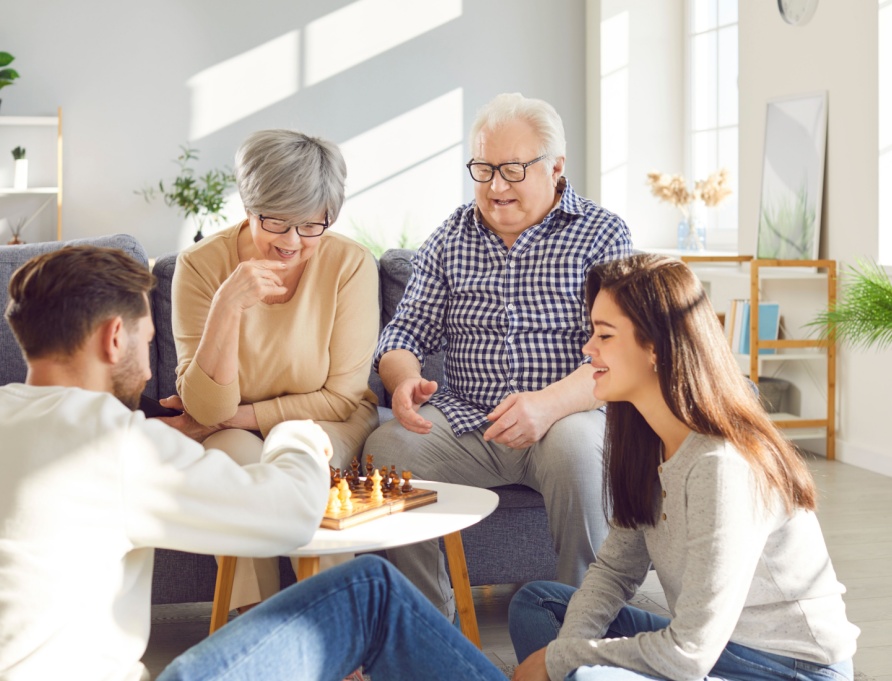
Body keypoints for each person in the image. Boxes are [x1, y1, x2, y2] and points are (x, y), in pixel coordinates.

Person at [0, 245, 508, 681]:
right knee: (367, 589)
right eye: (147, 339)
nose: (149, 350)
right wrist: (296, 435)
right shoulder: (112, 441)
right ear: (115, 338)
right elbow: (289, 514)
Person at [507, 253, 859, 681]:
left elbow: (688, 656)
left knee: (583, 675)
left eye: (605, 335)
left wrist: (561, 662)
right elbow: (615, 570)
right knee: (539, 604)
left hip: (789, 668)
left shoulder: (723, 464)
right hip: (715, 647)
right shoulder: (646, 442)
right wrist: (567, 651)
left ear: (655, 346)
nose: (588, 349)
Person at [363, 92, 633, 621]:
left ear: (555, 168)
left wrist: (547, 406)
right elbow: (401, 336)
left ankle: (583, 625)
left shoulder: (603, 234)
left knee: (579, 453)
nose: (495, 187)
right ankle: (428, 624)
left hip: (568, 419)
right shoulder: (450, 237)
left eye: (512, 170)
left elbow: (619, 352)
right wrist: (404, 380)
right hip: (469, 424)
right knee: (385, 450)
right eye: (483, 169)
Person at [165, 129, 380, 609]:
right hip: (231, 427)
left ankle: (333, 636)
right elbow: (207, 403)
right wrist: (227, 306)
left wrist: (232, 417)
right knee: (229, 468)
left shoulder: (349, 265)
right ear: (249, 206)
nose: (291, 241)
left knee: (300, 455)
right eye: (276, 222)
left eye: (310, 225)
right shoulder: (202, 266)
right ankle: (258, 632)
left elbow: (341, 396)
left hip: (328, 422)